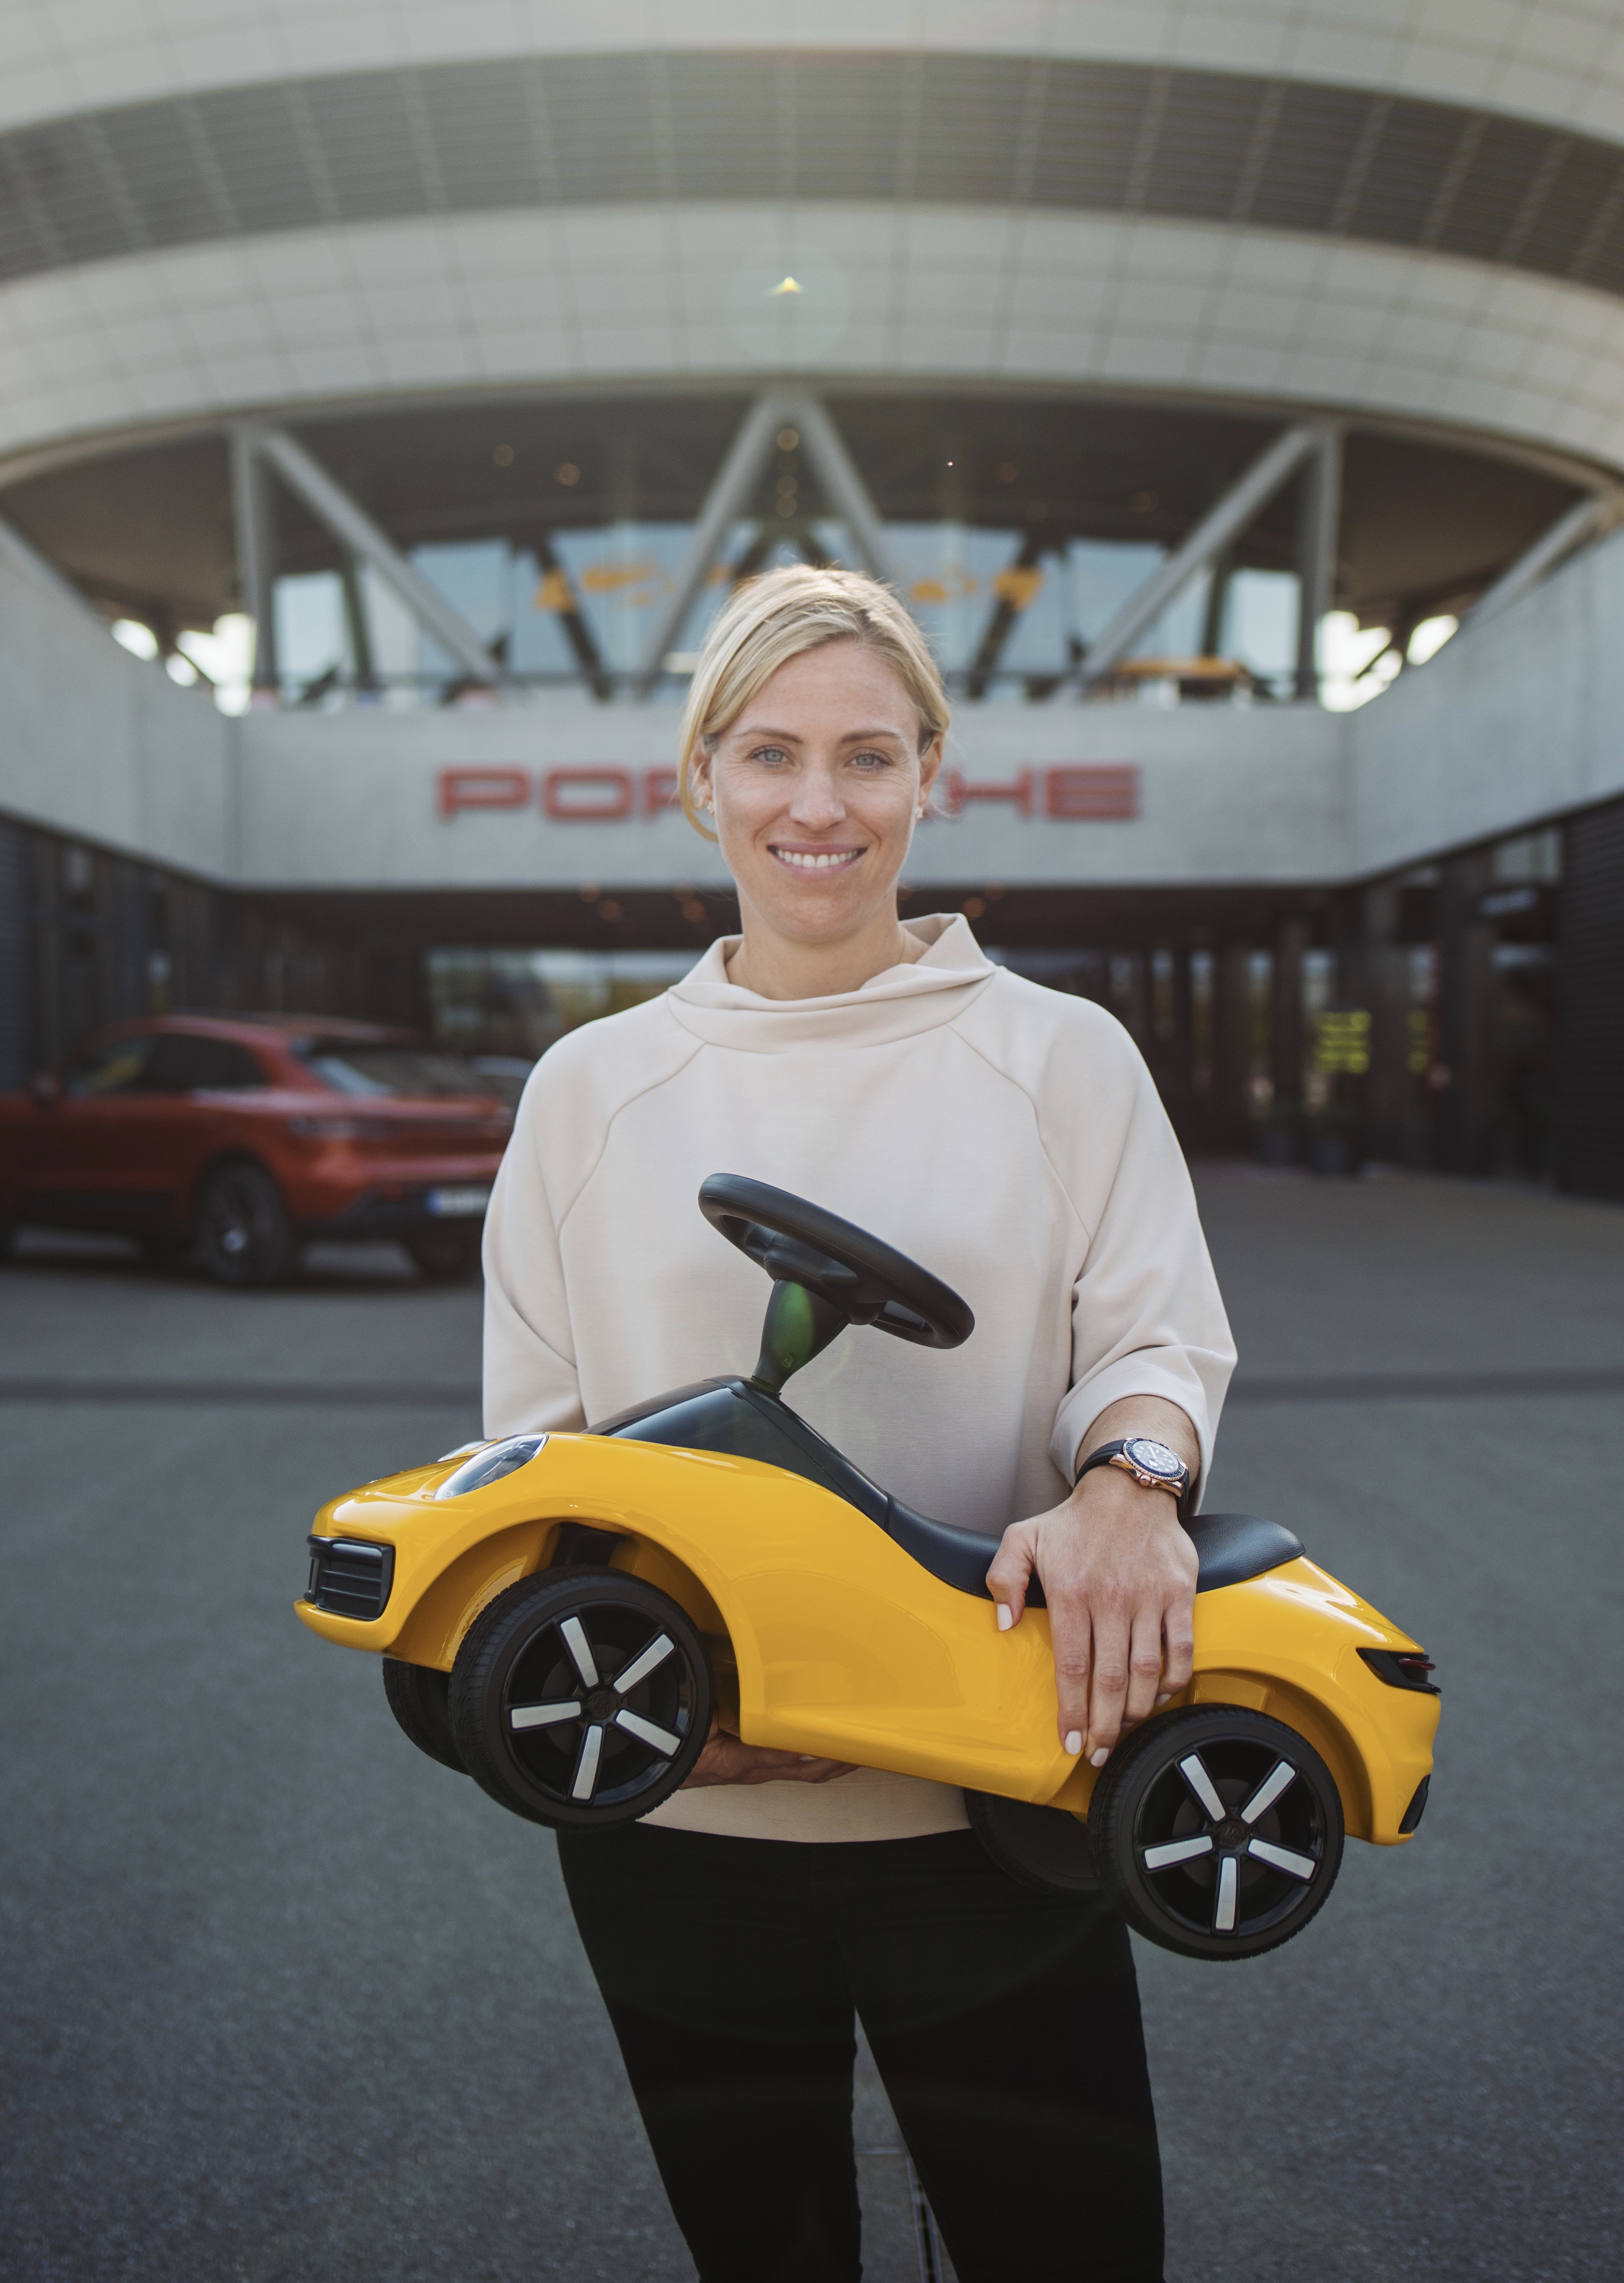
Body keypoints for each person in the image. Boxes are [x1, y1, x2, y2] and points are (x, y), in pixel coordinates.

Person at [482, 564, 1236, 2283]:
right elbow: (532, 1458)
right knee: (770, 2255)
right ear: (701, 779)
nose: (818, 805)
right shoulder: (590, 1088)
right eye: (769, 753)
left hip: (1000, 1796)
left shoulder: (1061, 1055)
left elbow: (1157, 1335)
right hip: (685, 1826)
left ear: (929, 774)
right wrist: (682, 1721)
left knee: (1076, 2251)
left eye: (867, 756)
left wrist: (1134, 1480)